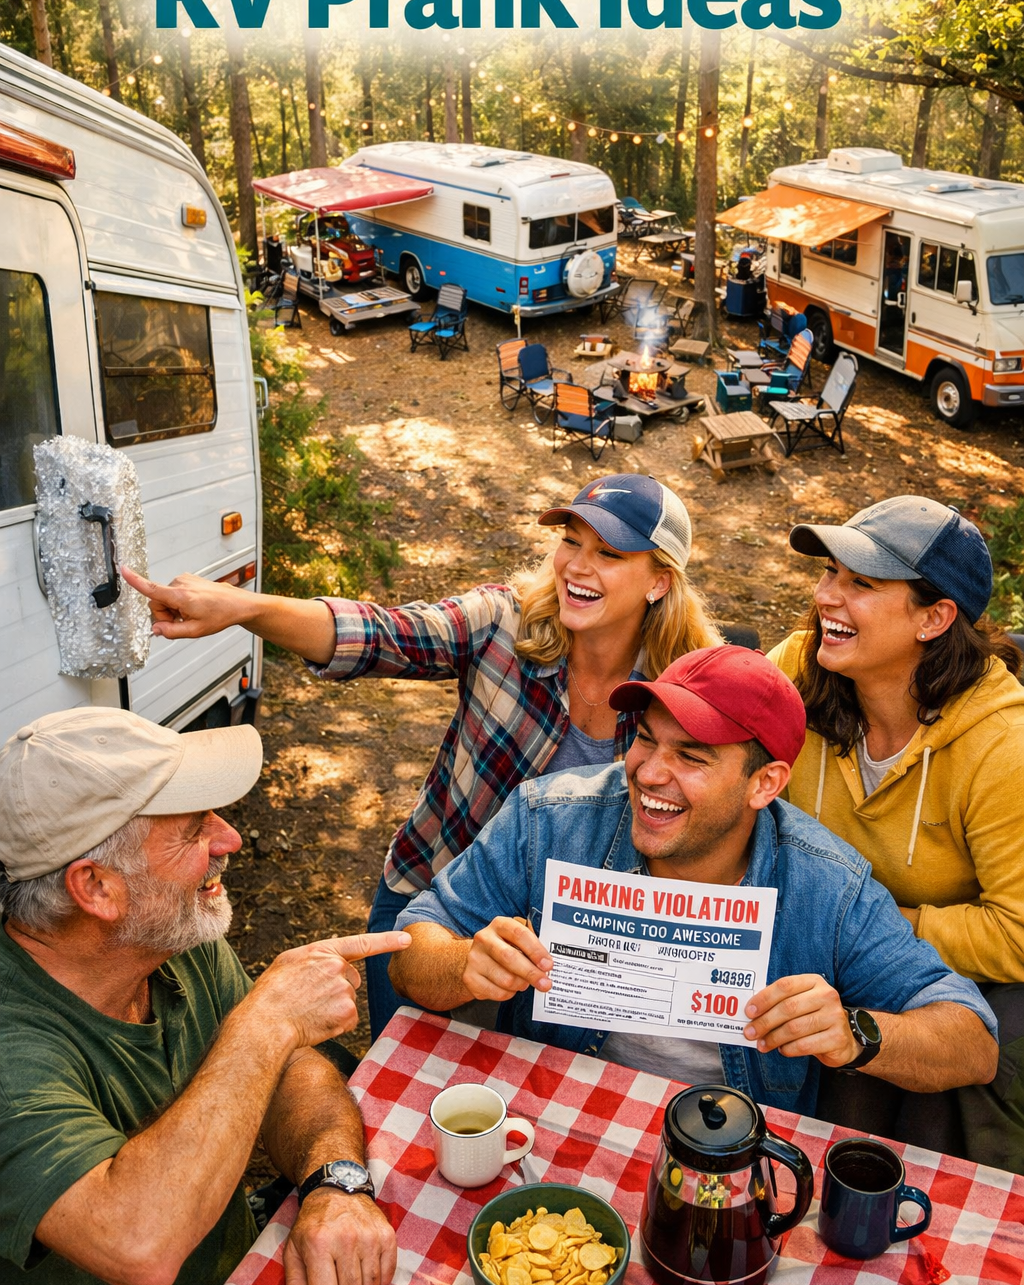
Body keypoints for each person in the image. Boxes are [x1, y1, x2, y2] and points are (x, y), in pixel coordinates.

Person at [124, 474, 721, 1038]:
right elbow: (382, 634)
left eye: (610, 554)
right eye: (571, 541)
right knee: (408, 1095)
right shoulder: (503, 621)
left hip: (574, 952)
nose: (578, 566)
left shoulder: (689, 692)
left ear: (659, 581)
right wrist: (245, 610)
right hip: (430, 906)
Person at [387, 647, 997, 1117]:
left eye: (692, 756)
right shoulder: (550, 819)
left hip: (725, 1158)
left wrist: (856, 1033)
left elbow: (973, 1041)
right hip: (555, 1116)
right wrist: (465, 962)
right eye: (646, 739)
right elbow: (413, 943)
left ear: (766, 784)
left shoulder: (826, 885)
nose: (650, 773)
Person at [0, 707, 410, 1285]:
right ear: (96, 888)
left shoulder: (164, 936)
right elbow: (138, 1248)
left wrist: (333, 1184)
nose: (231, 839)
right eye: (194, 828)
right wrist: (266, 1021)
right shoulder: (13, 1051)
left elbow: (286, 1073)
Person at [769, 494, 1024, 1167]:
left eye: (862, 583)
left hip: (942, 966)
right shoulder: (797, 667)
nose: (828, 596)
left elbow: (1018, 933)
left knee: (911, 1086)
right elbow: (706, 746)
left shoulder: (1003, 749)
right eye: (829, 573)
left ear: (935, 617)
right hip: (811, 938)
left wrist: (874, 928)